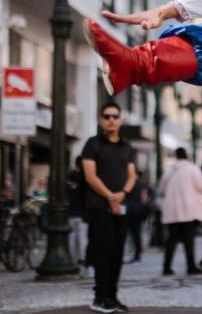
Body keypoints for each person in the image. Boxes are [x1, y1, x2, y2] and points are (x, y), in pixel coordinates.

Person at [81, 102, 136, 314]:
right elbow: (90, 176)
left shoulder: (126, 146)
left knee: (117, 252)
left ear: (120, 120)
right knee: (102, 251)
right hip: (98, 207)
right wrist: (110, 197)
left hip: (120, 207)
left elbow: (132, 176)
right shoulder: (92, 144)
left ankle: (112, 296)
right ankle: (99, 297)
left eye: (115, 116)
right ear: (100, 120)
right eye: (107, 116)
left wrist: (122, 195)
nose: (111, 120)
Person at [159, 147, 202, 276]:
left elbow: (162, 189)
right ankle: (191, 266)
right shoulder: (193, 169)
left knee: (172, 239)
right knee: (189, 239)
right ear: (187, 156)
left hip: (173, 210)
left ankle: (166, 267)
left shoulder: (168, 170)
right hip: (189, 210)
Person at [124, 171, 149, 263]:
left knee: (128, 233)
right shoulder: (141, 183)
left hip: (128, 210)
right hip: (138, 210)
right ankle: (137, 253)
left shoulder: (127, 182)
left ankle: (132, 252)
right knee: (137, 233)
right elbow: (144, 198)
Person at [67, 157, 88, 267]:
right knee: (82, 237)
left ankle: (73, 258)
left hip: (70, 214)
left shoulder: (69, 183)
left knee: (72, 238)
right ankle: (83, 258)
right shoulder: (85, 181)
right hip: (82, 214)